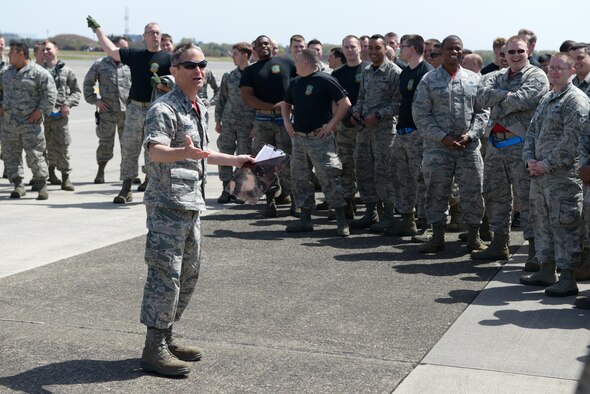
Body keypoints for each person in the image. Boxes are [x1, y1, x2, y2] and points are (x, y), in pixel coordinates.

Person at [140, 43, 253, 376]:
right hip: (167, 205)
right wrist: (182, 152)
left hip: (192, 204)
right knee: (165, 276)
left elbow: (201, 153)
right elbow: (156, 152)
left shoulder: (197, 107)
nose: (198, 70)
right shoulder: (164, 108)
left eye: (202, 64)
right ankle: (153, 347)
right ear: (174, 70)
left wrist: (235, 160)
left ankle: (168, 335)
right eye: (190, 65)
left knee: (188, 275)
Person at [473, 35, 550, 264]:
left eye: (520, 51)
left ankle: (535, 251)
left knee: (528, 200)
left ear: (528, 53)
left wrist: (498, 102)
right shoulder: (495, 76)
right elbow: (480, 96)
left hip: (522, 146)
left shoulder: (536, 75)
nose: (516, 56)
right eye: (511, 52)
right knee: (496, 195)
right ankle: (499, 244)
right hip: (497, 146)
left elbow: (525, 99)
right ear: (503, 55)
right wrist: (505, 96)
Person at [520, 52, 589, 297]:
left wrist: (545, 165)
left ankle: (568, 277)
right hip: (539, 176)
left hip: (562, 178)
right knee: (541, 223)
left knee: (565, 226)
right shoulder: (548, 97)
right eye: (551, 68)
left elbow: (572, 142)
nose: (554, 72)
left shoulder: (576, 100)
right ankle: (546, 269)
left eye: (560, 68)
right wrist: (529, 160)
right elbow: (532, 132)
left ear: (572, 71)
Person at [412, 35, 488, 253]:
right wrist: (442, 137)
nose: (454, 52)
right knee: (436, 191)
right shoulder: (428, 80)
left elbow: (483, 111)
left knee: (474, 191)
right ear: (441, 52)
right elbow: (420, 113)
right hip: (438, 148)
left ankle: (473, 237)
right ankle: (437, 236)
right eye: (449, 49)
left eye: (458, 49)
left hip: (468, 148)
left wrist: (472, 134)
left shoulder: (474, 80)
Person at [87, 16, 172, 203]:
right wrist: (98, 29)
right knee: (129, 148)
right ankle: (126, 187)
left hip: (156, 109)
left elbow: (178, 82)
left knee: (154, 148)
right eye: (151, 32)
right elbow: (111, 50)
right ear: (145, 36)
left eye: (158, 32)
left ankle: (152, 183)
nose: (155, 35)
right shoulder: (135, 55)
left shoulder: (169, 59)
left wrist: (166, 85)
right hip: (134, 108)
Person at [281, 48, 351, 236]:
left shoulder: (324, 79)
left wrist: (330, 126)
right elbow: (286, 104)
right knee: (300, 179)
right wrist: (287, 122)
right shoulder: (296, 82)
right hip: (299, 139)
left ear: (306, 63)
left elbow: (345, 103)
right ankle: (305, 219)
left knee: (330, 177)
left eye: (297, 61)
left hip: (320, 139)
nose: (294, 65)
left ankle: (341, 221)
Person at [240, 35, 297, 217]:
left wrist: (290, 106)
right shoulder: (250, 71)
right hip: (263, 121)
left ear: (272, 46)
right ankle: (270, 202)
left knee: (290, 161)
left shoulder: (287, 63)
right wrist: (273, 107)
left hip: (285, 120)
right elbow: (248, 98)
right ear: (254, 49)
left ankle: (296, 202)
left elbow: (299, 85)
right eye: (260, 44)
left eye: (267, 43)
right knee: (264, 163)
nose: (264, 46)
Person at [350, 34, 402, 232]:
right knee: (363, 170)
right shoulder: (366, 71)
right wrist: (356, 111)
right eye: (370, 48)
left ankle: (388, 216)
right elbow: (361, 96)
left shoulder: (394, 72)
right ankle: (371, 212)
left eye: (377, 48)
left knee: (384, 173)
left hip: (384, 131)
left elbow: (399, 102)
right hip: (364, 130)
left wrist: (379, 115)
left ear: (385, 49)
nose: (372, 52)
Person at [384, 34, 433, 237]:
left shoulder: (427, 73)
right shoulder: (405, 73)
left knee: (421, 177)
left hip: (418, 133)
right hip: (402, 132)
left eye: (402, 47)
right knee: (401, 176)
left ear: (411, 49)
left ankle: (427, 222)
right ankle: (407, 219)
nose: (399, 51)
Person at [0, 42, 57, 200]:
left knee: (35, 155)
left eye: (11, 53)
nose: (8, 56)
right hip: (9, 123)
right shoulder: (5, 73)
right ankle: (18, 185)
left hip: (30, 123)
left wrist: (40, 111)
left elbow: (50, 94)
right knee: (11, 155)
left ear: (20, 54)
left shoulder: (38, 72)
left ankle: (42, 185)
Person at [329, 35, 369, 219]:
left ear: (360, 48)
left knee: (364, 167)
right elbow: (334, 102)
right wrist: (339, 120)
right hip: (345, 127)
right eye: (346, 47)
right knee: (344, 166)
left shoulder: (368, 70)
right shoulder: (338, 74)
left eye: (353, 46)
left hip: (366, 126)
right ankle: (348, 203)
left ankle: (371, 207)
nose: (350, 50)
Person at [83, 36, 132, 184]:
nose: (125, 51)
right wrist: (95, 100)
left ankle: (129, 174)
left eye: (126, 48)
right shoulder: (100, 64)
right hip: (107, 112)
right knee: (105, 143)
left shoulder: (131, 64)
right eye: (121, 48)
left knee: (129, 145)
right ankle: (101, 171)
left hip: (128, 112)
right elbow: (87, 84)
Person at [214, 42, 256, 203]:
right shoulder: (229, 76)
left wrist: (256, 125)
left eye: (235, 54)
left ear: (245, 55)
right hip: (229, 122)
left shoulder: (255, 75)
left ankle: (239, 190)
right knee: (225, 153)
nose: (233, 57)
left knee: (244, 157)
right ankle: (226, 188)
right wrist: (218, 120)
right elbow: (222, 99)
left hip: (248, 124)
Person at [42, 40, 82, 191]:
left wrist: (67, 104)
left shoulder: (66, 71)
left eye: (48, 49)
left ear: (56, 50)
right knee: (43, 147)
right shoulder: (38, 71)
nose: (46, 52)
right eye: (43, 50)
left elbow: (76, 91)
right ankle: (49, 175)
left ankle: (66, 177)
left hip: (60, 116)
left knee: (62, 146)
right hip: (42, 116)